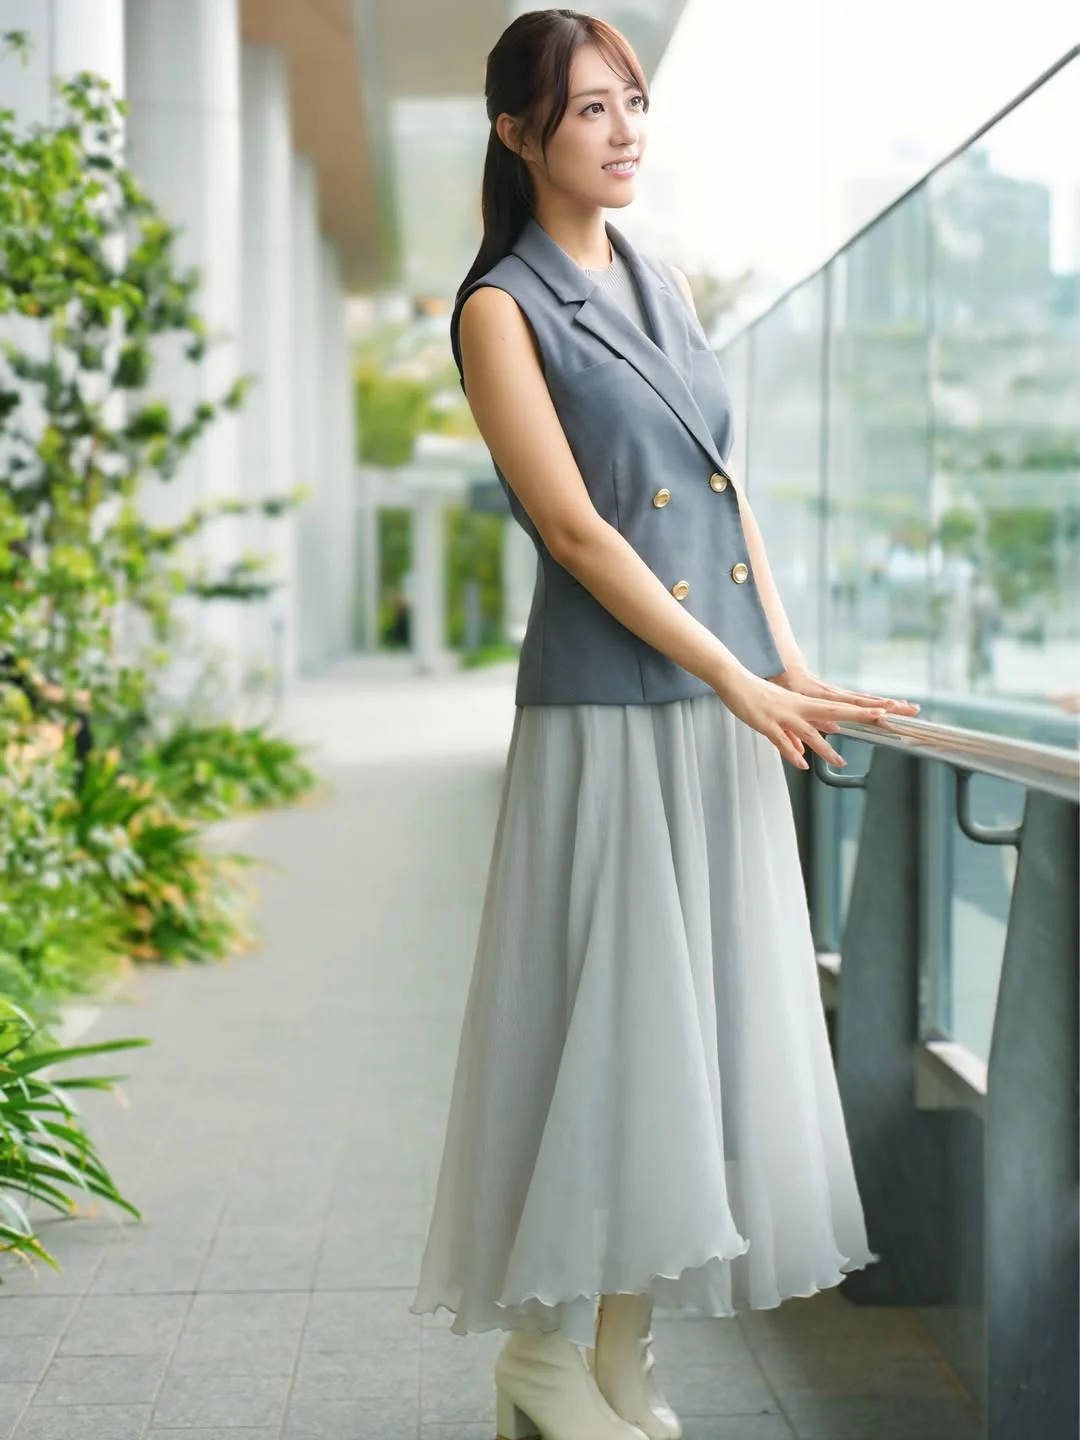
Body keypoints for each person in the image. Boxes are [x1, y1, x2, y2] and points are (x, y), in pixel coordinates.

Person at [408, 11, 920, 1440]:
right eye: (589, 111)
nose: (626, 129)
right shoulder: (499, 309)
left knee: (677, 1046)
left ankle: (617, 1361)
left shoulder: (659, 274)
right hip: (611, 711)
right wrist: (734, 678)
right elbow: (577, 533)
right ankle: (536, 1353)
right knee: (609, 1026)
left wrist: (787, 665)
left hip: (710, 697)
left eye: (634, 101)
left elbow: (720, 480)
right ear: (517, 134)